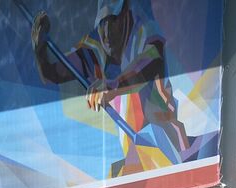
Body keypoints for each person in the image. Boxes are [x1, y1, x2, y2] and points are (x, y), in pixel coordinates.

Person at [30, 0, 198, 176]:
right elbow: (52, 74)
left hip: (168, 146)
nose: (107, 33)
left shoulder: (145, 32)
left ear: (125, 13)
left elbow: (149, 64)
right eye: (102, 23)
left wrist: (113, 86)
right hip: (136, 153)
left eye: (113, 21)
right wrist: (39, 51)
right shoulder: (95, 47)